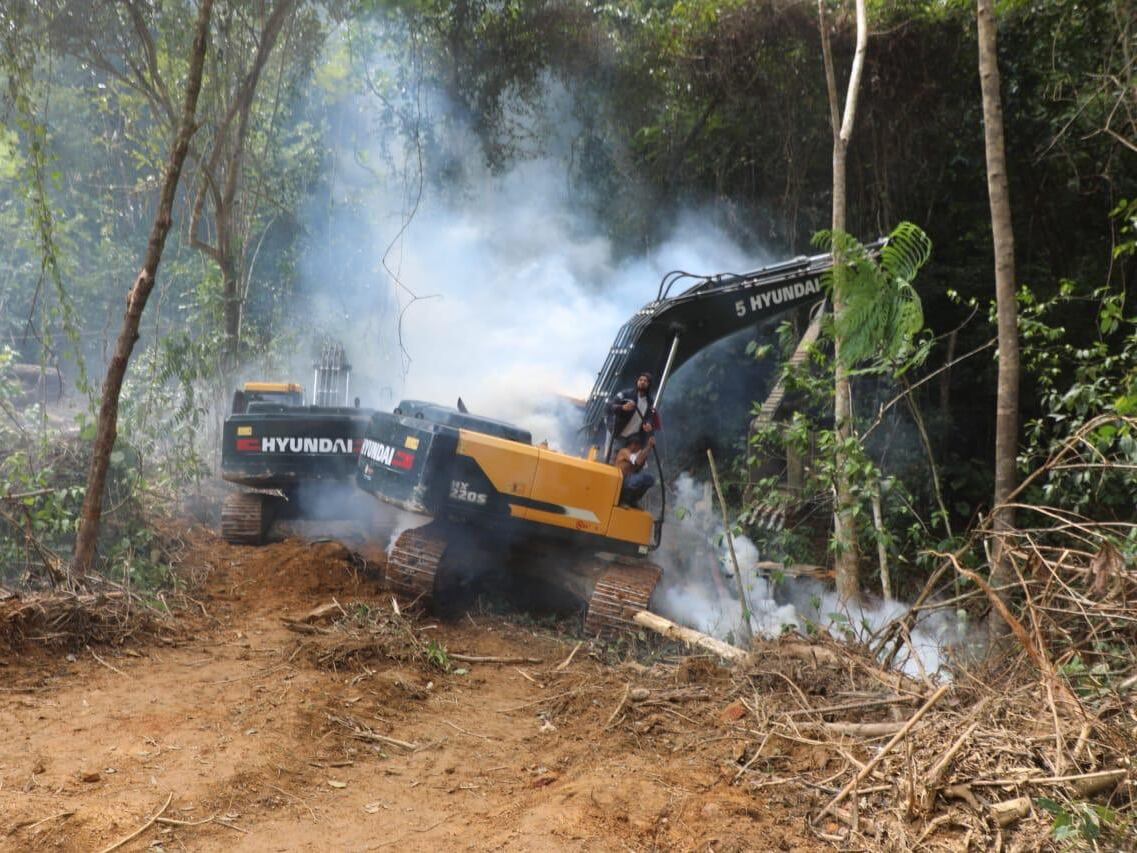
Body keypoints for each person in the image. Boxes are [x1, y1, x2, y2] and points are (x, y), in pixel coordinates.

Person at [607, 372, 659, 451]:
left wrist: (648, 423)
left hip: (633, 439)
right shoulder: (625, 394)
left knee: (629, 462)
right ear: (637, 382)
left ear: (649, 384)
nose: (642, 382)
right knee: (613, 459)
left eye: (645, 381)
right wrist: (622, 407)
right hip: (618, 434)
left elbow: (649, 416)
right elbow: (609, 406)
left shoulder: (650, 401)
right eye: (640, 380)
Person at [614, 434, 656, 507]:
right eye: (638, 445)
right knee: (639, 479)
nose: (639, 448)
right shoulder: (624, 451)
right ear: (633, 444)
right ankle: (623, 500)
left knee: (650, 479)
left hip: (628, 483)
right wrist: (648, 447)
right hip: (620, 483)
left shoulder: (636, 455)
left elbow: (640, 464)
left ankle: (632, 501)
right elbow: (637, 461)